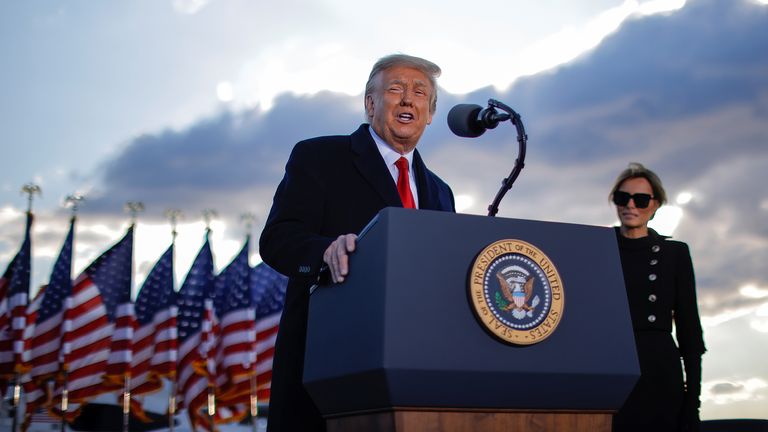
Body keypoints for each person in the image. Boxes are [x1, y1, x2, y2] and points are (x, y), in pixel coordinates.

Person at [259, 54, 455, 432]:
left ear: (429, 113)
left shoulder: (441, 192)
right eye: (395, 89)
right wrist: (325, 252)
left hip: (415, 371)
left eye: (420, 93)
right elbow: (278, 239)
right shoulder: (320, 156)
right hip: (329, 367)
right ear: (370, 103)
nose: (407, 100)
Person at [609, 163, 706, 432]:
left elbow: (689, 332)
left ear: (656, 204)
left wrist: (692, 404)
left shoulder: (674, 254)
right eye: (622, 197)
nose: (631, 205)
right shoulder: (599, 248)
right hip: (611, 367)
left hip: (659, 371)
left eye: (640, 199)